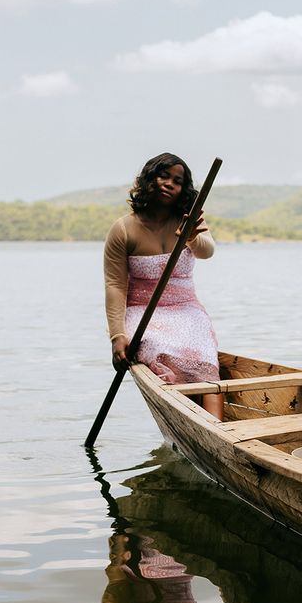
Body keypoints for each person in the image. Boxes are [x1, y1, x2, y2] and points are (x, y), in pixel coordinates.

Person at [104, 152, 223, 418]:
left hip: (186, 309)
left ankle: (217, 428)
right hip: (143, 312)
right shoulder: (123, 229)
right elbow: (114, 285)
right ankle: (183, 417)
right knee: (160, 346)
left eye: (177, 180)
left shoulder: (189, 218)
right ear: (149, 179)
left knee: (202, 349)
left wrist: (192, 235)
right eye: (163, 176)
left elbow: (207, 252)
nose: (170, 183)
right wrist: (117, 336)